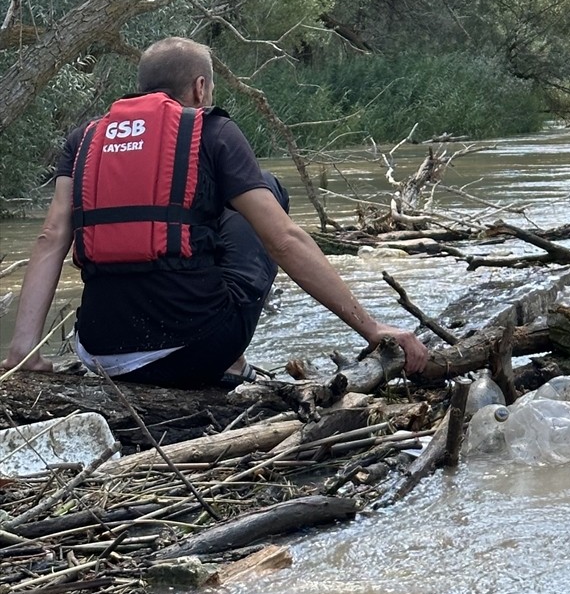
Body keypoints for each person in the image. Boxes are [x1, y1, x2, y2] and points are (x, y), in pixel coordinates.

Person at [2, 37, 428, 386]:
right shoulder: (213, 130)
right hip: (193, 350)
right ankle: (230, 361)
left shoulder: (84, 140)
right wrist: (372, 328)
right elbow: (283, 240)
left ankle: (221, 357)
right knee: (268, 192)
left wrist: (23, 353)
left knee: (213, 213)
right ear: (200, 88)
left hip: (98, 352)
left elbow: (50, 239)